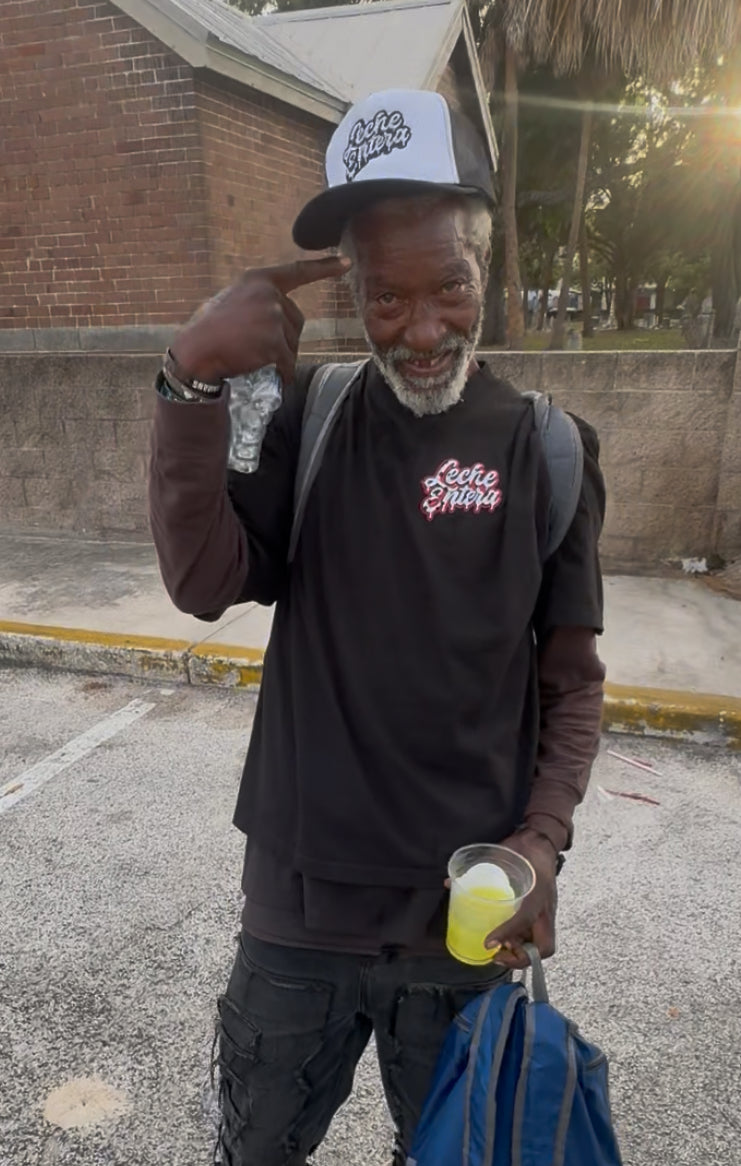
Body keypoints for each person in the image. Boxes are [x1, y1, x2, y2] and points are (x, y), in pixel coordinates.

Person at [149, 88, 605, 1166]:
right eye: (385, 295)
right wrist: (192, 382)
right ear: (351, 288)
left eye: (448, 285)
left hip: (464, 919)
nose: (422, 327)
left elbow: (571, 679)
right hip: (298, 915)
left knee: (451, 1152)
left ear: (486, 266)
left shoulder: (551, 450)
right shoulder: (302, 414)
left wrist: (540, 842)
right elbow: (203, 578)